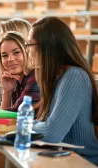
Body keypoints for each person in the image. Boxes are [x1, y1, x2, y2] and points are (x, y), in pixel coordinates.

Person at [28, 16, 98, 164]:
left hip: (81, 162)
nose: (27, 50)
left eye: (29, 44)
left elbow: (51, 133)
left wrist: (23, 124)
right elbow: (46, 126)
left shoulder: (74, 76)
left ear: (46, 47)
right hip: (59, 159)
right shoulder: (54, 77)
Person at [0, 31, 39, 112]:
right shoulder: (18, 82)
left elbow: (15, 113)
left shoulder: (35, 78)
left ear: (27, 52)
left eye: (16, 53)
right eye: (5, 56)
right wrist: (7, 92)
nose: (10, 59)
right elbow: (4, 119)